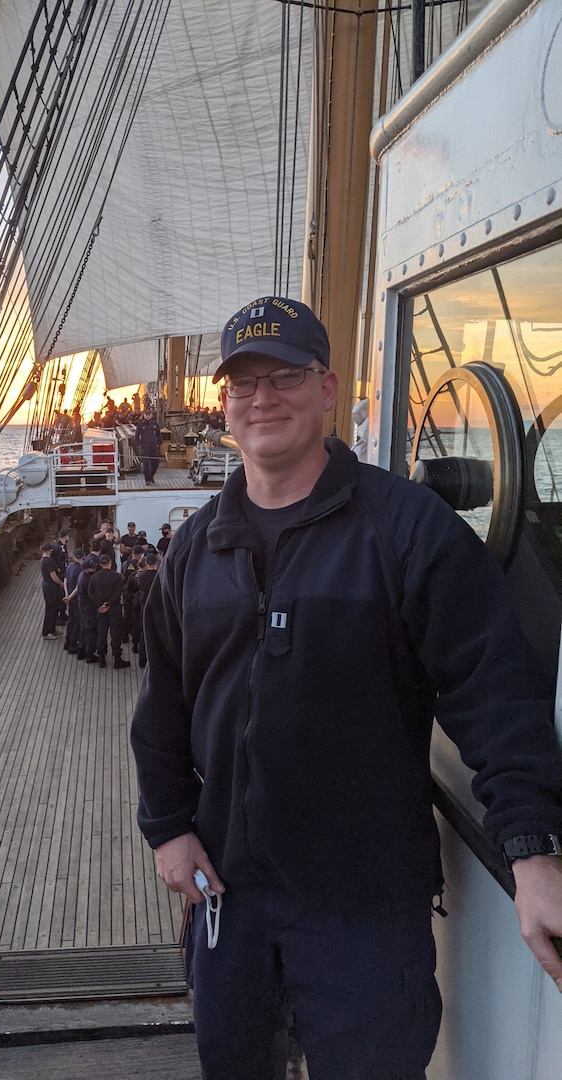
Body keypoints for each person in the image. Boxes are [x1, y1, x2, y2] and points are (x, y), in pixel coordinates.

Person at [130, 295, 562, 1080]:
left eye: (284, 377)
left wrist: (532, 851)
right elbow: (161, 709)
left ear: (327, 389)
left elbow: (493, 690)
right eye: (243, 383)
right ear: (224, 405)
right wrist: (166, 827)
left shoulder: (406, 532)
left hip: (365, 905)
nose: (263, 399)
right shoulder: (197, 550)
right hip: (231, 891)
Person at [88, 553, 130, 669]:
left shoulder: (94, 577)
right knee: (115, 634)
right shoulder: (117, 577)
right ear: (110, 563)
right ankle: (117, 659)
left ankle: (102, 659)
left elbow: (90, 592)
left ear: (100, 564)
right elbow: (117, 595)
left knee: (102, 633)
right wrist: (109, 604)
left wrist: (100, 604)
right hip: (114, 609)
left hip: (100, 609)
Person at [38, 541, 64, 640]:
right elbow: (53, 576)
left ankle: (52, 629)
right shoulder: (47, 561)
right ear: (49, 551)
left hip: (48, 585)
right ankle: (46, 632)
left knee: (53, 608)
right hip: (50, 586)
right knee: (50, 609)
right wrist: (61, 583)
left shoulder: (44, 560)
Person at [134, 407, 163, 485]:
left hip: (154, 447)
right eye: (146, 415)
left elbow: (159, 436)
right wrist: (140, 444)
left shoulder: (155, 425)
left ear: (151, 415)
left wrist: (158, 444)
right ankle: (147, 480)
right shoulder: (140, 425)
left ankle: (151, 476)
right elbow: (136, 437)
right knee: (146, 464)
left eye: (149, 414)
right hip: (145, 447)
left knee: (155, 463)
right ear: (144, 415)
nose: (147, 416)